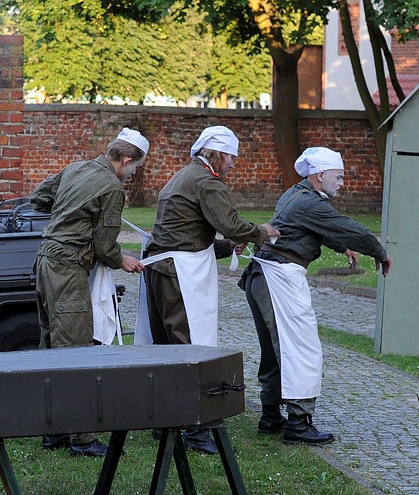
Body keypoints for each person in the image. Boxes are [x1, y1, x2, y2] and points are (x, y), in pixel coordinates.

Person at [239, 146, 392, 445]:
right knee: (301, 348)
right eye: (339, 176)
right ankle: (298, 422)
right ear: (320, 175)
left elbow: (310, 228)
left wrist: (340, 246)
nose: (343, 182)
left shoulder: (297, 194)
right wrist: (379, 251)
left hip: (263, 276)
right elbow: (348, 228)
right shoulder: (310, 203)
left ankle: (270, 414)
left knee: (275, 349)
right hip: (279, 278)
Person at [139, 125, 277, 454]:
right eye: (231, 156)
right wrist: (263, 231)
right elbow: (229, 223)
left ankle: (165, 422)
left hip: (160, 267)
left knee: (166, 349)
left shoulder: (184, 175)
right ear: (216, 153)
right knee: (190, 349)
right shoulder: (207, 181)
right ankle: (195, 430)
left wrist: (228, 247)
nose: (233, 163)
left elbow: (187, 231)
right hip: (178, 274)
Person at [30, 127, 148, 457]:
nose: (132, 175)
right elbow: (104, 243)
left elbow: (39, 196)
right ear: (126, 160)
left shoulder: (76, 168)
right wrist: (120, 259)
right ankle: (81, 438)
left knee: (50, 344)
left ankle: (51, 431)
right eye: (134, 168)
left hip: (43, 259)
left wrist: (66, 214)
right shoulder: (112, 187)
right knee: (76, 350)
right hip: (67, 266)